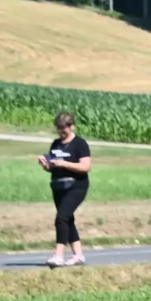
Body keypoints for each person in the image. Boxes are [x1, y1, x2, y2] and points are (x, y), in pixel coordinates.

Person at [38, 112, 91, 268]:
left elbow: (85, 166)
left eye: (64, 129)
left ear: (71, 126)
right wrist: (47, 165)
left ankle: (59, 255)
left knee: (61, 217)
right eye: (59, 129)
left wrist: (64, 163)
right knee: (67, 218)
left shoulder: (80, 144)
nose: (61, 132)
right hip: (58, 185)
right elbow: (53, 167)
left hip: (76, 185)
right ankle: (78, 255)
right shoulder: (55, 144)